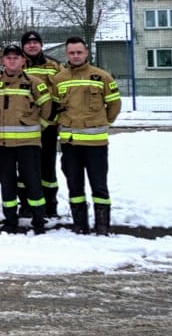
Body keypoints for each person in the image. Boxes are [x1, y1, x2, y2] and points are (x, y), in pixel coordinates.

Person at [51, 37, 121, 235]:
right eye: (71, 53)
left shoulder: (102, 77)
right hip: (70, 144)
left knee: (99, 187)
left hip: (96, 144)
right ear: (66, 55)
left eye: (79, 52)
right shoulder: (59, 79)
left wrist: (104, 122)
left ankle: (102, 226)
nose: (75, 56)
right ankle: (79, 225)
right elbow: (55, 107)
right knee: (75, 187)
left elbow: (114, 105)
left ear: (86, 53)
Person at [0, 44, 54, 234]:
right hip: (4, 145)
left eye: (16, 57)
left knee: (33, 182)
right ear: (3, 61)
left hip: (29, 144)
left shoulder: (34, 83)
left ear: (23, 60)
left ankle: (38, 220)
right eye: (8, 57)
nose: (12, 60)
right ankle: (10, 220)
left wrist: (38, 126)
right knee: (7, 184)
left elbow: (47, 107)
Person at [20, 30, 63, 217]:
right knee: (25, 168)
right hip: (24, 126)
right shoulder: (17, 64)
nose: (32, 46)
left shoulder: (54, 66)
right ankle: (27, 205)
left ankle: (50, 205)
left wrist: (52, 117)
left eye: (35, 42)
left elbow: (61, 93)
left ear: (41, 45)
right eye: (28, 43)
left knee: (47, 166)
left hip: (48, 126)